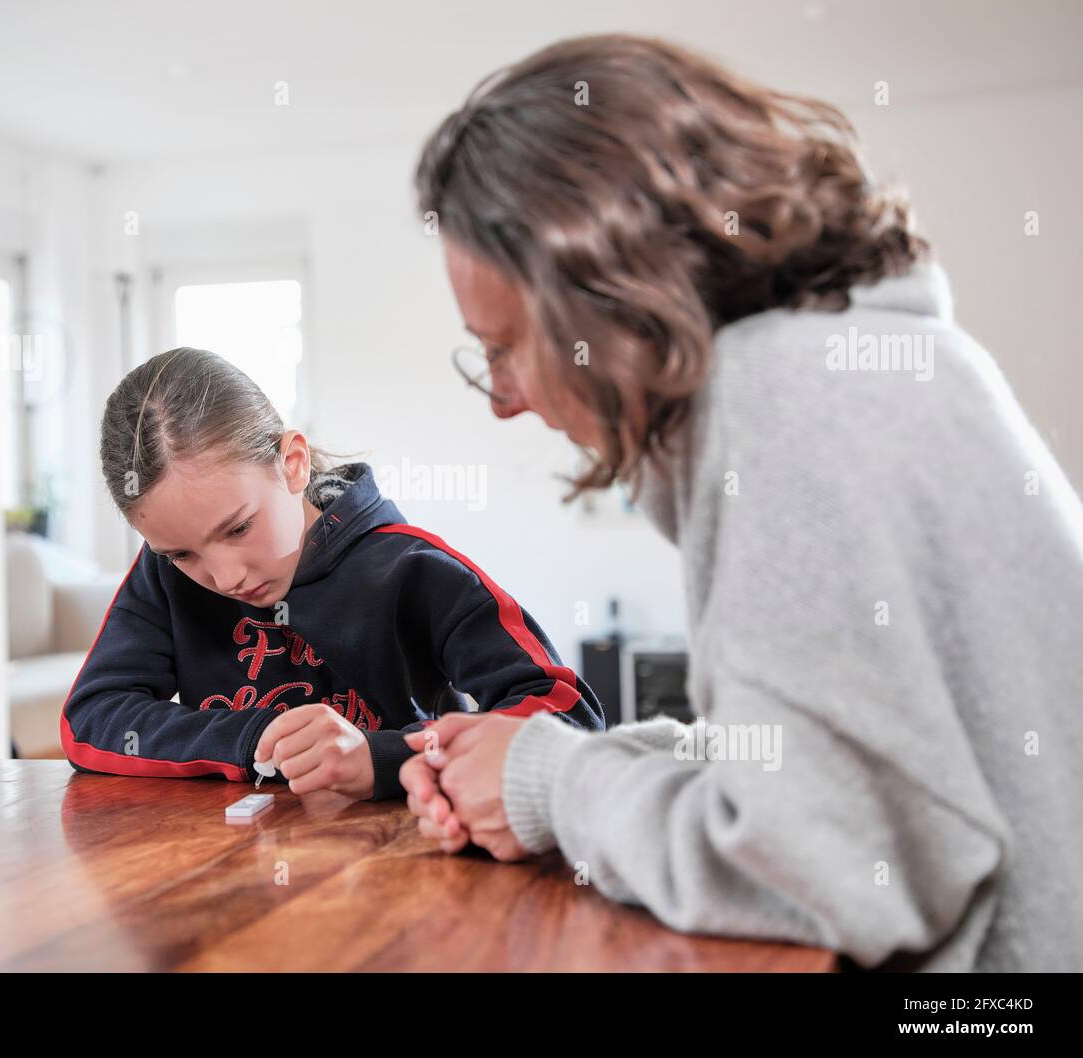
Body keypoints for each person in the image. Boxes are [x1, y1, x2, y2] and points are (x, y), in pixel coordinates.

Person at [399, 33, 1083, 972]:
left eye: (506, 345)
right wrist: (561, 760)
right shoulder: (843, 364)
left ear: (607, 295)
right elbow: (849, 772)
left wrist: (554, 785)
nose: (506, 397)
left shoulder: (790, 404)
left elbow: (838, 869)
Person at [60, 346, 604, 802]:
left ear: (292, 463)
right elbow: (92, 717)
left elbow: (564, 718)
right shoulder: (164, 573)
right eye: (182, 554)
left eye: (238, 528)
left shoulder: (409, 567)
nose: (224, 577)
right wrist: (250, 739)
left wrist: (384, 759)